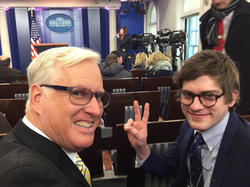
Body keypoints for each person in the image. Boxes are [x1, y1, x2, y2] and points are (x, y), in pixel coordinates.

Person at [124, 50, 250, 187]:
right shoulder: (188, 127)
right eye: (187, 94)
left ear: (232, 98)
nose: (195, 107)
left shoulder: (245, 144)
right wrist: (142, 148)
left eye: (209, 96)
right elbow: (167, 167)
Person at [0, 47, 111, 186]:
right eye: (78, 93)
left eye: (98, 96)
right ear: (37, 98)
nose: (96, 110)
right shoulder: (27, 177)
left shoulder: (46, 144)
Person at [199, 0, 250, 115]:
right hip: (214, 86)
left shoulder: (247, 14)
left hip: (243, 88)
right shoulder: (207, 20)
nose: (217, 1)